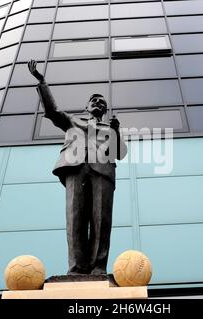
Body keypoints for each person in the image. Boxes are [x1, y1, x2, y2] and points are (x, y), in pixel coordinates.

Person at [28, 60, 128, 276]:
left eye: (102, 102)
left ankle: (98, 267)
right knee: (75, 220)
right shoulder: (74, 121)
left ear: (105, 110)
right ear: (87, 106)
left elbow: (120, 153)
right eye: (94, 100)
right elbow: (53, 112)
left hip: (102, 171)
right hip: (76, 168)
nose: (98, 103)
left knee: (101, 221)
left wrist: (117, 131)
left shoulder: (110, 129)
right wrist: (42, 81)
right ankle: (77, 268)